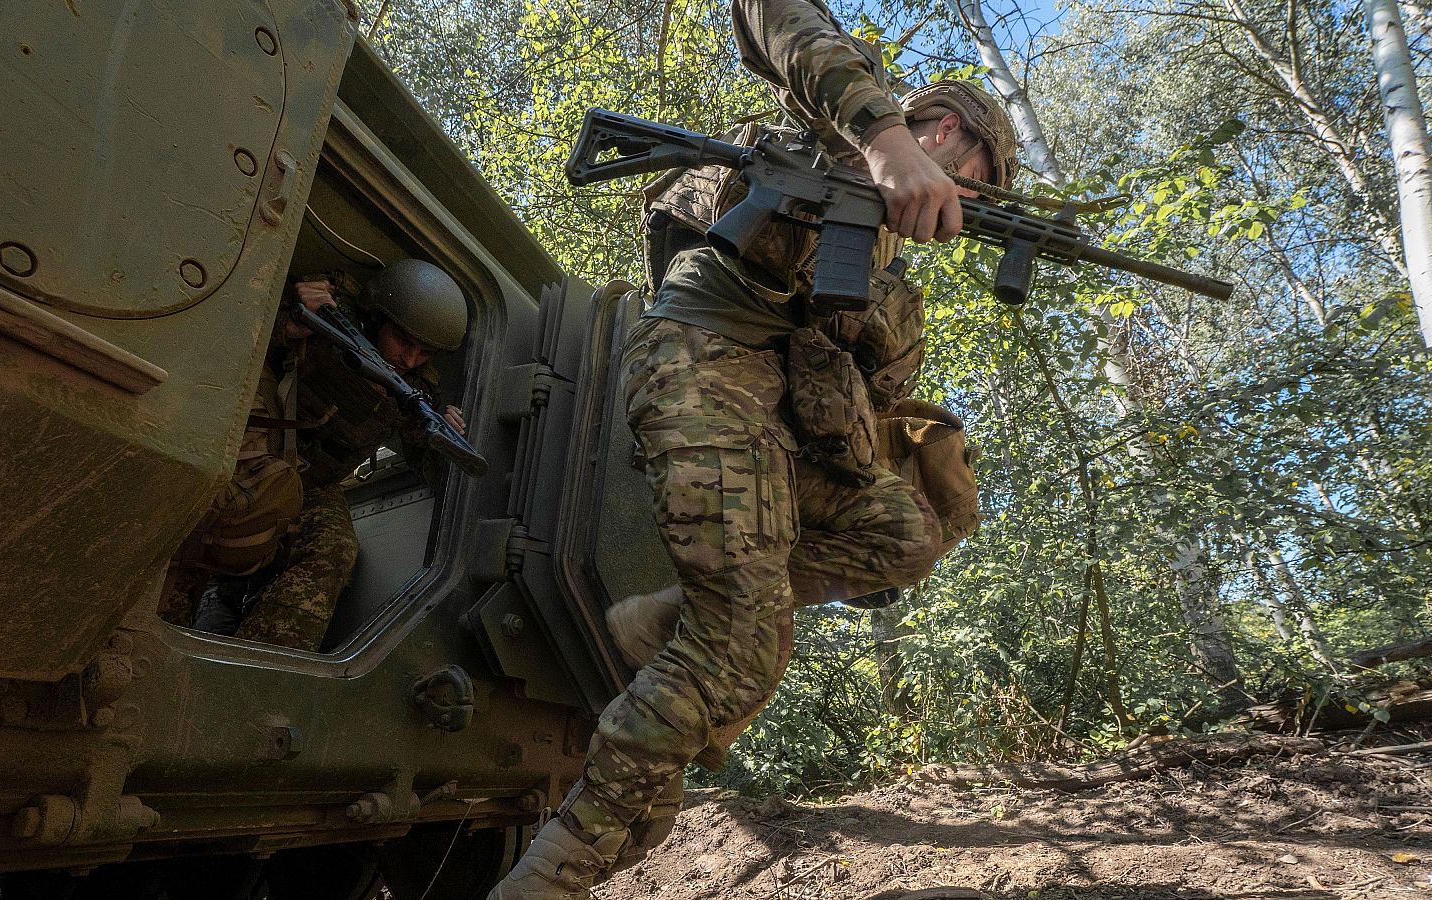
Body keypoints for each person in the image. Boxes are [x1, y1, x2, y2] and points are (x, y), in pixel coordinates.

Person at [485, 1, 1017, 897]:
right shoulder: (844, 127)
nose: (969, 202)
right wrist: (885, 137)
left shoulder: (888, 273)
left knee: (905, 531)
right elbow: (770, 11)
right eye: (974, 178)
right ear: (949, 130)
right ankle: (545, 881)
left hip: (772, 424)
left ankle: (660, 622)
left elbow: (867, 414)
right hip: (698, 357)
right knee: (740, 648)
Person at [182, 258, 470, 651]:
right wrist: (287, 325)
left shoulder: (415, 393)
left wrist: (441, 435)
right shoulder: (327, 317)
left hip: (312, 484)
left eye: (425, 353)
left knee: (334, 550)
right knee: (210, 522)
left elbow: (431, 471)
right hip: (245, 448)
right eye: (404, 342)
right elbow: (219, 336)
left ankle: (261, 661)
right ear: (378, 319)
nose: (410, 360)